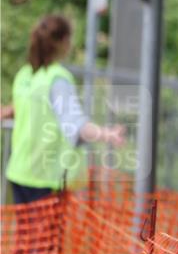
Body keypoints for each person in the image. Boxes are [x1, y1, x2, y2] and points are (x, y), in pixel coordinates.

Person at [3, 14, 125, 204]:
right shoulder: (58, 79)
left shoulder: (25, 75)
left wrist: (8, 111)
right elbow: (74, 124)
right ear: (62, 41)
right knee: (46, 235)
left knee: (25, 233)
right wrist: (105, 134)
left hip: (19, 171)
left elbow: (28, 107)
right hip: (46, 177)